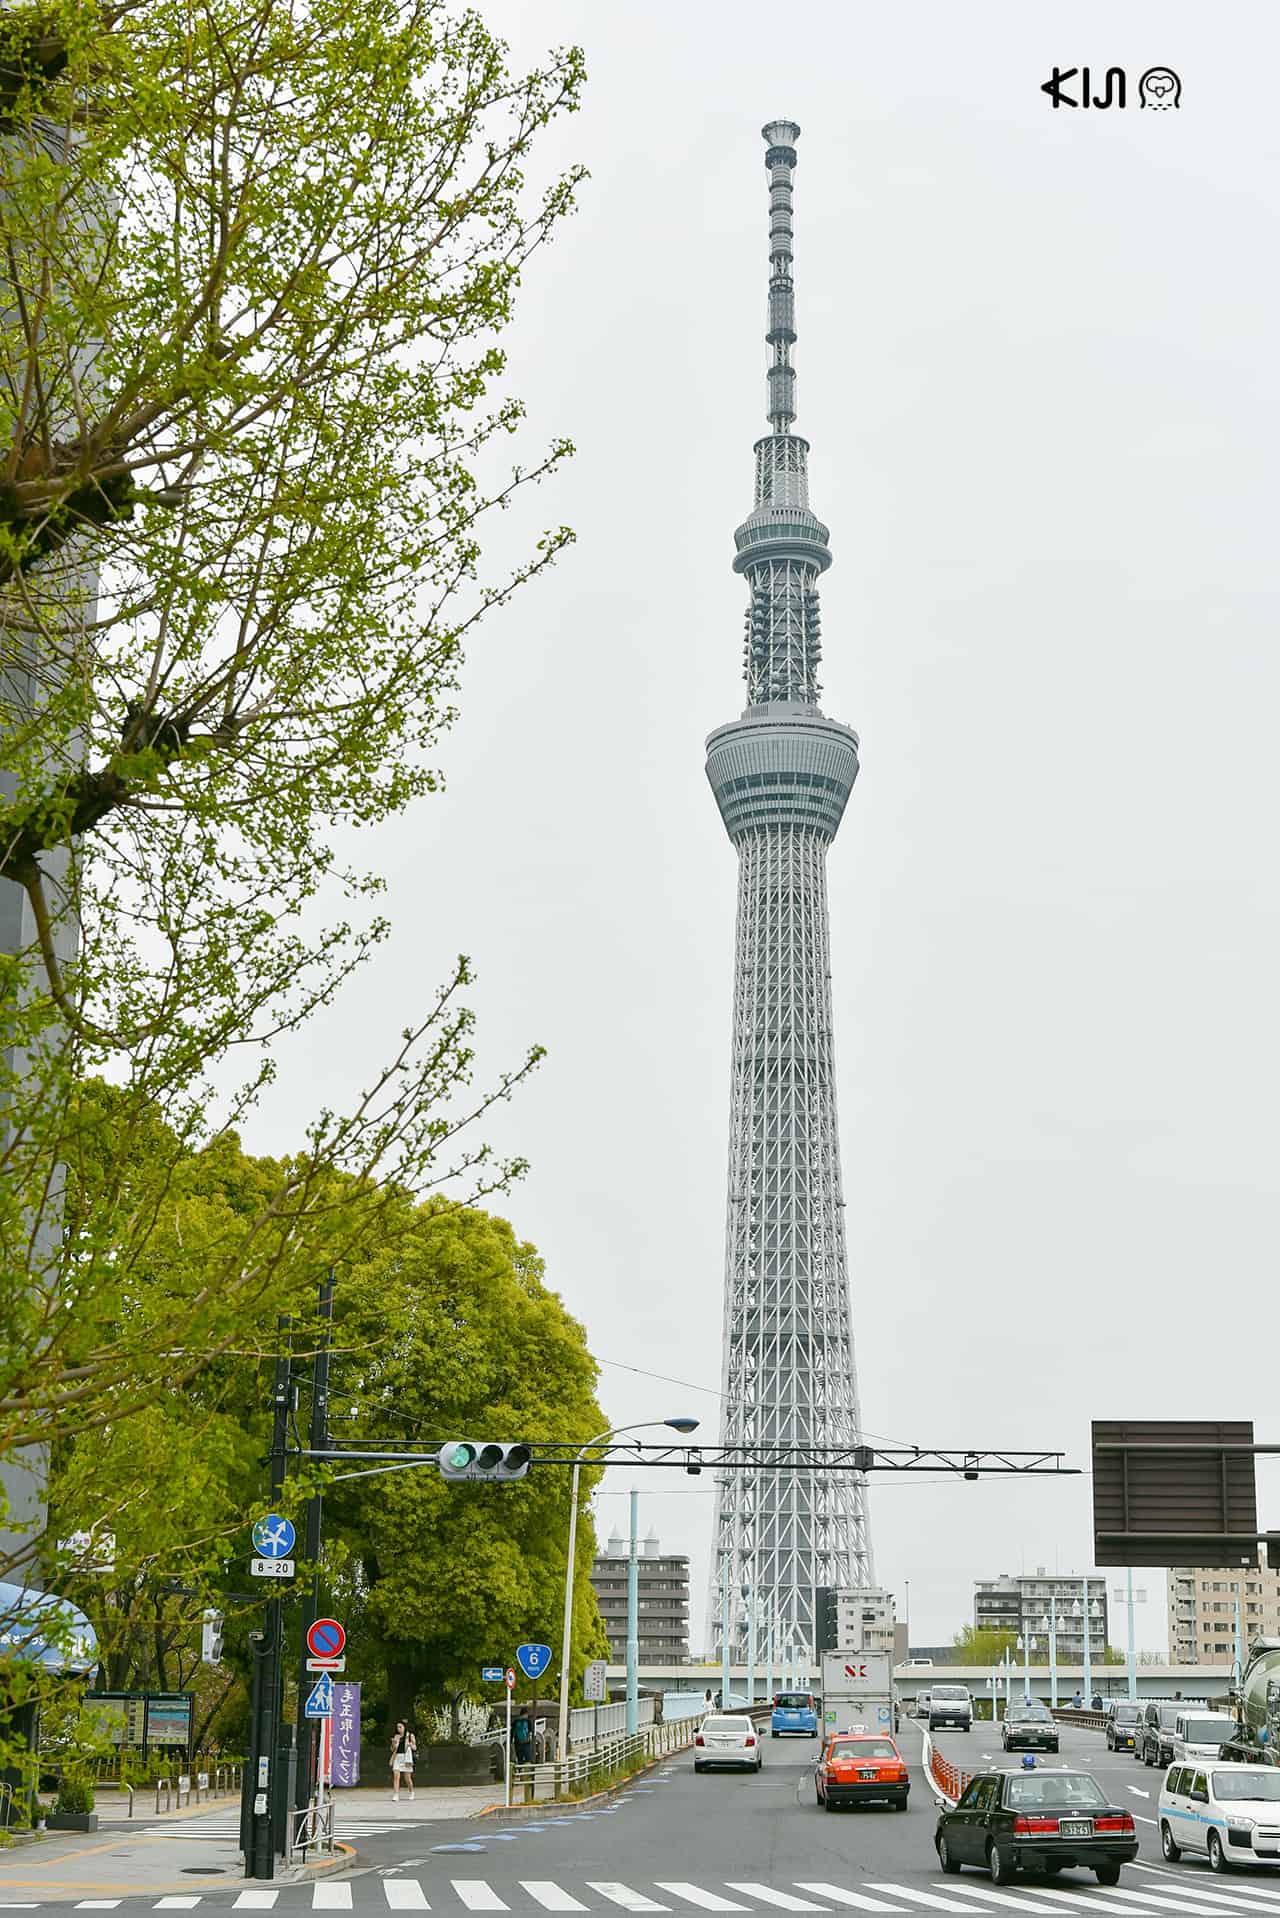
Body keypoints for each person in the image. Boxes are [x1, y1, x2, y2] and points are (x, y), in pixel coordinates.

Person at [390, 1720, 417, 1801]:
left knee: (407, 1778)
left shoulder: (410, 1735)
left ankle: (411, 1792)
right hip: (397, 1757)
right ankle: (396, 1794)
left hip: (406, 1758)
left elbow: (415, 1748)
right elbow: (392, 1749)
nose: (398, 1729)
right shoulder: (396, 1736)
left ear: (404, 1727)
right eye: (397, 1727)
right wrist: (393, 1743)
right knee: (396, 1776)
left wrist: (410, 1744)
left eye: (400, 1727)